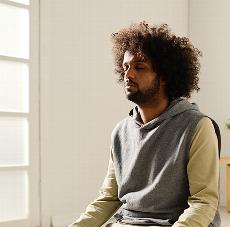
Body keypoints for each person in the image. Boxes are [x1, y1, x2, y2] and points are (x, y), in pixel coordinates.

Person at [69, 22, 221, 227]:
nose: (128, 74)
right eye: (125, 67)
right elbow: (108, 198)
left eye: (139, 67)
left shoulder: (197, 126)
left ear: (165, 76)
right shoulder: (121, 131)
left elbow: (204, 202)